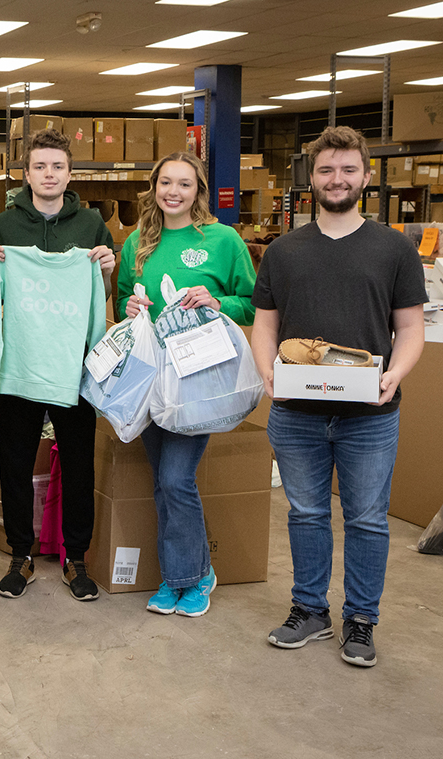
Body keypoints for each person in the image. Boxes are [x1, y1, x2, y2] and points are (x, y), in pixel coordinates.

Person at [251, 126, 426, 667]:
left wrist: (395, 373)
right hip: (297, 413)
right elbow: (265, 326)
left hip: (369, 416)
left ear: (366, 177)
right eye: (327, 170)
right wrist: (267, 375)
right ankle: (310, 610)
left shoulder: (395, 248)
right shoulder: (283, 251)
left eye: (349, 169)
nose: (337, 179)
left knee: (368, 519)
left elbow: (411, 329)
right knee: (305, 513)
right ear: (312, 179)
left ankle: (361, 619)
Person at [0, 128, 117, 602]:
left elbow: (106, 295)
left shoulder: (92, 226)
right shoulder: (4, 226)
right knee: (15, 462)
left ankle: (76, 558)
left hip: (75, 366)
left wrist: (105, 267)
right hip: (20, 362)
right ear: (27, 174)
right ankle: (21, 553)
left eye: (58, 166)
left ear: (70, 173)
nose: (49, 174)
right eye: (40, 166)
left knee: (79, 463)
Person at [118, 151, 256, 618]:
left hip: (199, 378)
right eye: (165, 183)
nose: (173, 192)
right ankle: (190, 574)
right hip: (152, 376)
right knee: (164, 482)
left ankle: (187, 579)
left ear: (198, 190)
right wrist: (129, 309)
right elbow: (121, 296)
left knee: (176, 479)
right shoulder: (137, 241)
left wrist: (217, 301)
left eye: (185, 183)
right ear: (153, 187)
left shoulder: (222, 240)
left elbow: (254, 303)